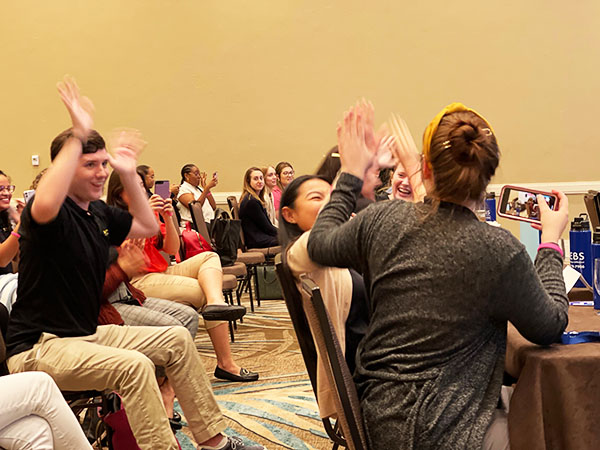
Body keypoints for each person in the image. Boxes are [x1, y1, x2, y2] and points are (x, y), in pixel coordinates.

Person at [5, 76, 265, 450]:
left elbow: (144, 225)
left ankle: (215, 443)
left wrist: (127, 170)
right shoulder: (49, 214)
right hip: (38, 347)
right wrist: (78, 133)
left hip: (82, 336)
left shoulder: (96, 211)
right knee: (136, 365)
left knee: (176, 338)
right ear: (66, 169)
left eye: (102, 164)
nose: (100, 173)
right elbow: (44, 202)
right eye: (88, 165)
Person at [307, 101, 569, 449]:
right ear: (487, 176)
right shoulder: (498, 250)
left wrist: (351, 173)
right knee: (557, 428)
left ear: (425, 169)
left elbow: (319, 244)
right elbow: (550, 326)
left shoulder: (383, 221)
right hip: (448, 431)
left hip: (380, 416)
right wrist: (550, 243)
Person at [279, 174, 368, 419]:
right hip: (366, 377)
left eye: (332, 197)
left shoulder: (334, 250)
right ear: (290, 215)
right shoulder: (298, 254)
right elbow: (316, 241)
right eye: (317, 198)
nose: (331, 204)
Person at [239, 167, 278, 249]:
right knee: (291, 239)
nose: (260, 181)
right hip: (256, 241)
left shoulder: (253, 198)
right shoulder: (251, 201)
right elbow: (267, 228)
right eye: (255, 179)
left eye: (261, 178)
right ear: (249, 182)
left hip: (258, 238)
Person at [0, 172, 22, 276]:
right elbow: (2, 260)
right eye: (1, 189)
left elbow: (17, 257)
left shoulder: (5, 216)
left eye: (8, 188)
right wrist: (22, 223)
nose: (6, 193)